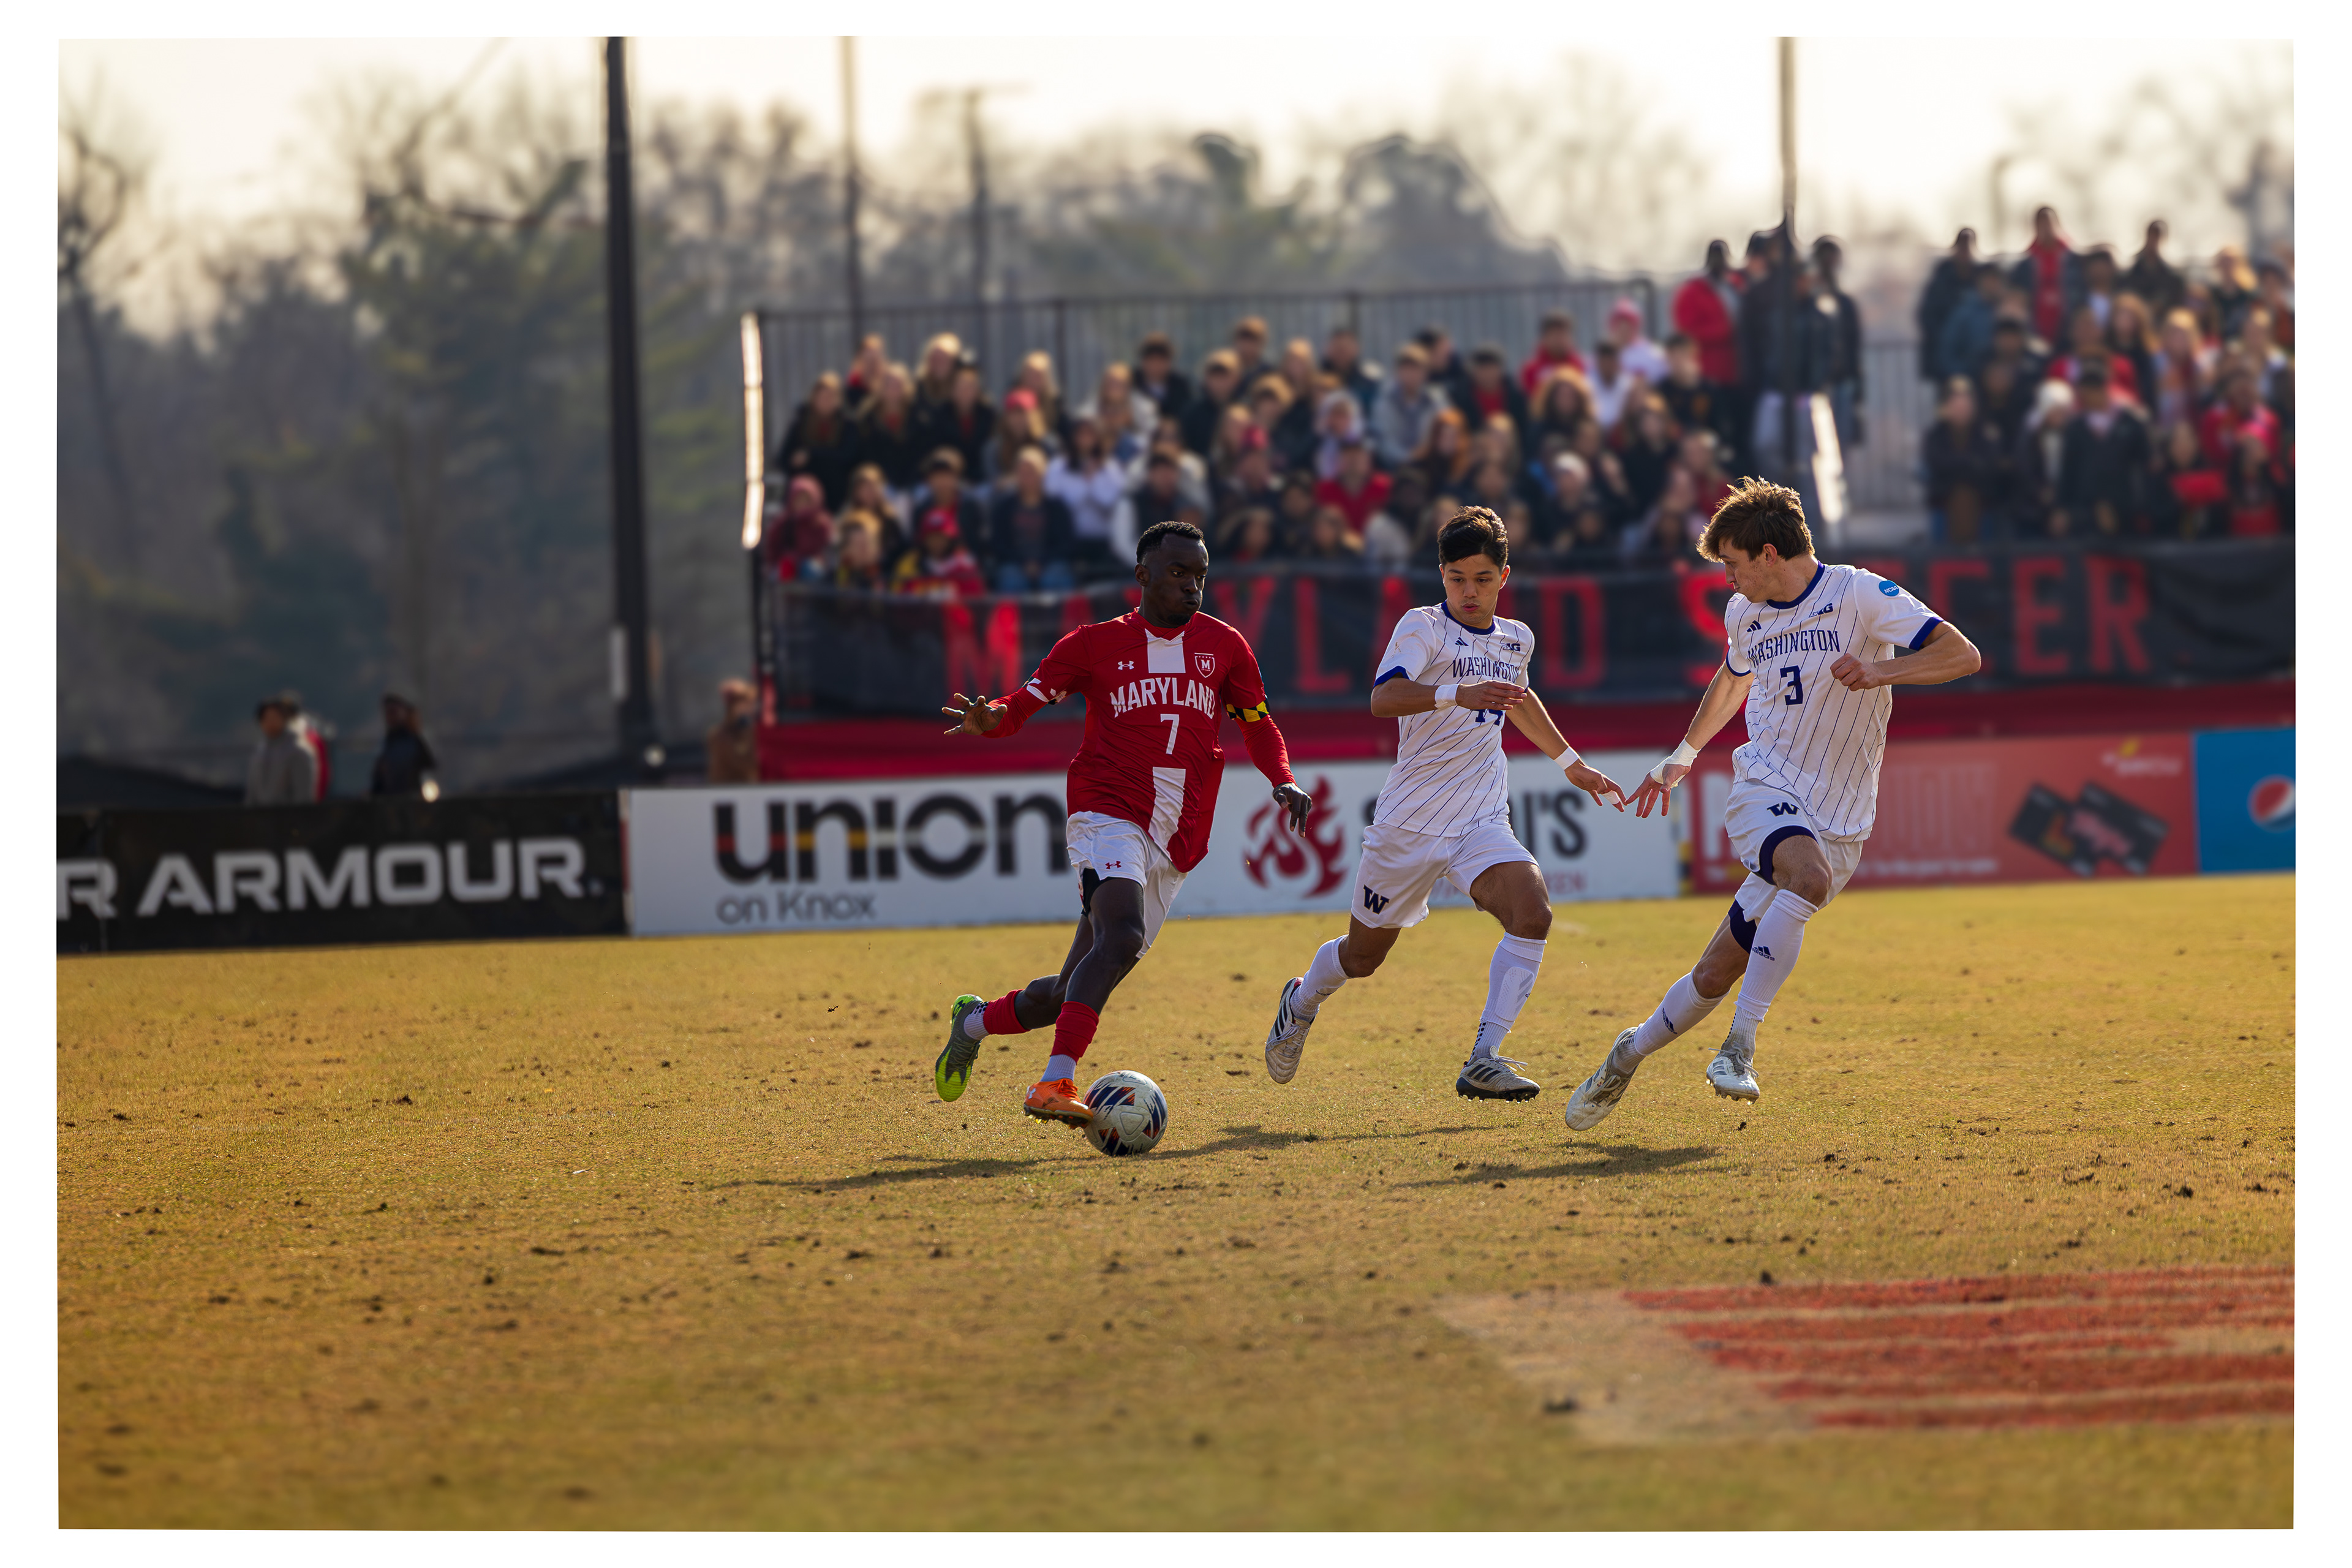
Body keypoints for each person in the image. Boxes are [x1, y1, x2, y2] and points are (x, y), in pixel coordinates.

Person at [1560, 480, 1981, 1128]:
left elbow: (1962, 654)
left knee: (1713, 973)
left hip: (1842, 814)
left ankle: (1627, 1053)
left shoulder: (1861, 595)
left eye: (1732, 564)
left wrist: (1882, 670)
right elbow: (1733, 681)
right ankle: (1739, 1048)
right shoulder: (1745, 614)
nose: (1727, 580)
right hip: (1767, 785)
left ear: (1767, 553)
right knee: (1807, 878)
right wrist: (1684, 753)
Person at [933, 521, 1313, 1125]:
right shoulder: (1092, 645)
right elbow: (1022, 705)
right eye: (1178, 573)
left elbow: (1257, 722)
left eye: (1200, 575)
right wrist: (991, 717)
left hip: (1176, 835)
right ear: (1142, 576)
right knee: (1123, 935)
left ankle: (973, 1022)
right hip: (1106, 810)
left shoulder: (1225, 645)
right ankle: (1054, 1082)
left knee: (1069, 990)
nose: (1191, 586)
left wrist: (1282, 778)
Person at [1262, 507, 1626, 1100]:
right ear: (1441, 576)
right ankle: (1300, 1002)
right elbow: (1383, 698)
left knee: (1533, 911)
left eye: (1482, 579)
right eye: (1457, 579)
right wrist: (1457, 692)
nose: (1469, 592)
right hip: (1409, 822)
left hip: (1480, 816)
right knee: (1363, 957)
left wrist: (1571, 763)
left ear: (1504, 576)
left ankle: (1484, 1057)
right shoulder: (1423, 626)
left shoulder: (1516, 639)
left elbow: (1520, 698)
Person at [1922, 377, 2006, 544]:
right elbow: (1937, 462)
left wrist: (1959, 466)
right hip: (1944, 502)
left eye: (1965, 405)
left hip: (1982, 503)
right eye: (1956, 405)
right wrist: (1969, 464)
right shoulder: (1936, 434)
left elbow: (1990, 464)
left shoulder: (1986, 433)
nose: (1961, 409)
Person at [987, 446, 1078, 592]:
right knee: (1011, 580)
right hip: (1015, 565)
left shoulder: (1057, 507)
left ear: (1043, 474)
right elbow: (999, 544)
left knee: (1055, 578)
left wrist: (1041, 563)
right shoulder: (1004, 508)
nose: (1027, 477)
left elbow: (1066, 544)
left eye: (1032, 472)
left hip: (1051, 564)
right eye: (1023, 473)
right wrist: (1024, 564)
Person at [1046, 415, 1126, 575]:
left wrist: (1092, 482)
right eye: (1081, 434)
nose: (1085, 439)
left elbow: (1113, 504)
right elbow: (1055, 504)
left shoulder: (1111, 468)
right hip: (1068, 541)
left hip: (1104, 542)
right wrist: (1085, 484)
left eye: (1090, 434)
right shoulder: (1058, 467)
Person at [779, 371, 859, 508]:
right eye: (822, 397)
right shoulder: (801, 423)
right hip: (804, 497)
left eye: (831, 397)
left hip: (837, 494)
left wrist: (811, 455)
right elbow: (783, 458)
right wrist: (795, 460)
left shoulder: (848, 426)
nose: (826, 401)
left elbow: (849, 456)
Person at [2010, 206, 2084, 348]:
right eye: (2041, 224)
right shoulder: (2026, 265)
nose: (2046, 228)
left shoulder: (2073, 261)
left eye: (2049, 223)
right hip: (2036, 330)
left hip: (2066, 329)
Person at [1675, 241, 1745, 390]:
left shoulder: (1735, 286)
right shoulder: (1693, 292)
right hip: (1708, 370)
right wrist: (1725, 331)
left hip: (1738, 367)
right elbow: (1687, 332)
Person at [1370, 342, 1449, 469]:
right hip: (1393, 468)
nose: (1411, 374)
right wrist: (1408, 458)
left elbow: (1445, 434)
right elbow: (1383, 442)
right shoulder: (1384, 401)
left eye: (1416, 369)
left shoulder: (1437, 401)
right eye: (1406, 368)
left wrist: (1425, 455)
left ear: (1426, 373)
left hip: (1431, 466)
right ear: (1397, 371)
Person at [1915, 228, 1979, 382]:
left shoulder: (1979, 279)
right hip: (1945, 358)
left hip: (1972, 358)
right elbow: (1927, 315)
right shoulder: (1942, 281)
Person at [917, 362, 996, 484]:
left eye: (970, 387)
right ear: (952, 390)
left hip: (983, 479)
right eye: (961, 387)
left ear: (978, 391)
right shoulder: (940, 416)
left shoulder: (989, 416)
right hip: (949, 480)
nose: (965, 392)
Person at [891, 510, 986, 599]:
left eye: (942, 537)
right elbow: (899, 599)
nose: (937, 542)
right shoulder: (912, 563)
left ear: (952, 538)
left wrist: (952, 601)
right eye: (932, 537)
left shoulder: (965, 564)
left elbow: (977, 601)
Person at [246, 695, 317, 805]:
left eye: (275, 717)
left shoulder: (299, 752)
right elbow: (251, 796)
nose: (270, 722)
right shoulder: (258, 754)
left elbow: (303, 797)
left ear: (285, 719)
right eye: (266, 718)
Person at [1314, 434, 1392, 537]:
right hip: (1337, 544)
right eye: (1348, 454)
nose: (1353, 460)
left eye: (1358, 455)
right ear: (1338, 460)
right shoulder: (1323, 489)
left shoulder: (1385, 486)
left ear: (1369, 460)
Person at [766, 475, 835, 581]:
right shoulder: (784, 523)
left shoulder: (821, 523)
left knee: (811, 568)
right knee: (784, 569)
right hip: (788, 562)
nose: (803, 505)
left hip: (813, 562)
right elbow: (773, 548)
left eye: (806, 501)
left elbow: (824, 547)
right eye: (799, 500)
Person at [370, 693, 439, 798]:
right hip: (391, 799)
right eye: (389, 712)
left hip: (413, 798)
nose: (391, 716)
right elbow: (380, 776)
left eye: (394, 711)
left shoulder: (416, 741)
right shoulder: (388, 744)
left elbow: (429, 769)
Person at [1182, 350, 1243, 456]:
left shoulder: (1245, 413)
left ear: (1236, 379)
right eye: (1215, 376)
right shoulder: (1192, 414)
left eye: (1224, 377)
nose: (1219, 383)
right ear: (1206, 379)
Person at [2124, 220, 2184, 318]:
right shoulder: (2130, 274)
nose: (2154, 241)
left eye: (2157, 237)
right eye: (2152, 236)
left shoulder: (2173, 279)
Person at [1518, 308, 1586, 396]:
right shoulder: (1531, 370)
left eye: (1564, 334)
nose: (1560, 340)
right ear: (1544, 337)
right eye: (1555, 335)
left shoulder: (1580, 366)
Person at [705, 679, 760, 784]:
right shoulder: (718, 736)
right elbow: (746, 765)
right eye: (746, 703)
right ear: (732, 706)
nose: (751, 708)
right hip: (728, 790)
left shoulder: (749, 730)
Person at [1605, 298, 1670, 386]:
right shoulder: (1603, 356)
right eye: (1619, 324)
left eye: (1628, 324)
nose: (1623, 329)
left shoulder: (1651, 353)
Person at [1323, 324, 1382, 418]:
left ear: (1356, 349)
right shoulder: (1317, 381)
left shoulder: (1368, 383)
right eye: (1338, 349)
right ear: (1329, 349)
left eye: (1345, 349)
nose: (1342, 354)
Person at [1133, 332, 1193, 422]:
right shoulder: (1132, 383)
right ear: (1143, 361)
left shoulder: (1181, 386)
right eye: (1151, 360)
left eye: (1161, 360)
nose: (1156, 366)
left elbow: (1188, 415)